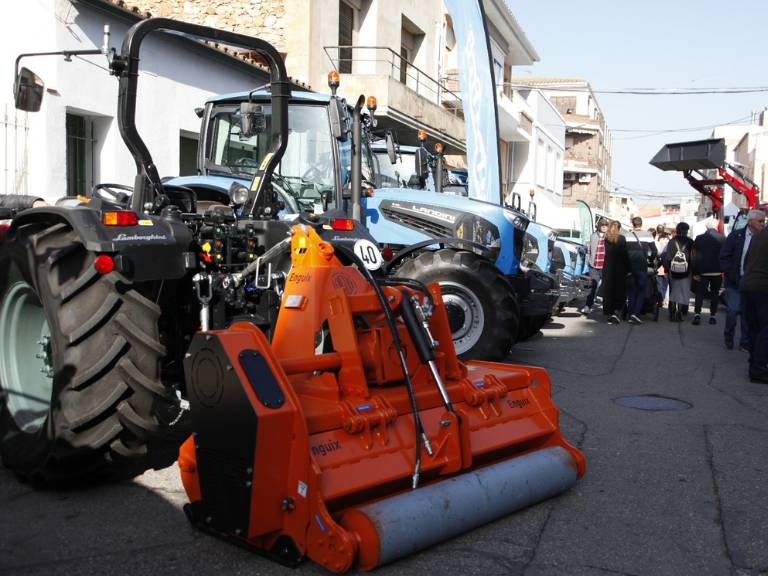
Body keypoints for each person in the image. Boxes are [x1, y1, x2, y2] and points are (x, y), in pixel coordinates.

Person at [720, 209, 766, 350]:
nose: (763, 225)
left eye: (764, 222)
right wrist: (730, 273)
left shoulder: (763, 239)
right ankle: (729, 335)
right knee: (733, 311)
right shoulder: (736, 236)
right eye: (760, 221)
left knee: (747, 315)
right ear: (750, 222)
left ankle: (744, 343)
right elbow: (724, 256)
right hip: (735, 282)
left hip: (752, 284)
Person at [740, 224, 768, 383]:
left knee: (755, 328)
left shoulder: (758, 236)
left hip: (748, 285)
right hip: (763, 287)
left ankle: (754, 365)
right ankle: (758, 369)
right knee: (765, 330)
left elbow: (746, 261)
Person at [623, 216, 657, 324]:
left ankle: (630, 313)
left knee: (632, 291)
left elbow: (623, 252)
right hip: (642, 266)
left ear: (632, 224)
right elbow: (655, 251)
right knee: (641, 291)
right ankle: (635, 314)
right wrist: (650, 260)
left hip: (629, 267)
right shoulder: (648, 235)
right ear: (641, 224)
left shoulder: (626, 236)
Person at [691, 219, 724, 325]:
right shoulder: (722, 238)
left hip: (702, 271)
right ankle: (712, 316)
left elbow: (694, 256)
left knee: (699, 293)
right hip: (717, 271)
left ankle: (697, 315)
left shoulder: (699, 238)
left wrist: (695, 272)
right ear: (716, 226)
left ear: (706, 227)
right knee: (715, 294)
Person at [663, 221, 693, 322]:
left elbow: (667, 258)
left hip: (673, 270)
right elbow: (693, 257)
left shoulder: (671, 242)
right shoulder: (690, 242)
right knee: (682, 291)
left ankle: (671, 313)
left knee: (673, 290)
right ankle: (679, 313)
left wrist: (666, 270)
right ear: (686, 231)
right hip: (686, 271)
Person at [602, 220, 630, 324]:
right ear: (619, 228)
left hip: (608, 267)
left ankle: (609, 312)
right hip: (620, 268)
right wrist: (628, 268)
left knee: (609, 290)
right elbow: (625, 255)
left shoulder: (606, 238)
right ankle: (616, 312)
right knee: (619, 291)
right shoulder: (622, 239)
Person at [582, 218, 608, 315]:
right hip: (594, 265)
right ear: (599, 226)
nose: (605, 227)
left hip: (605, 266)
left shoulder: (609, 237)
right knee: (593, 286)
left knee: (606, 287)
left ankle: (607, 308)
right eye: (603, 225)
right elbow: (589, 249)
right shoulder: (593, 236)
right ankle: (588, 306)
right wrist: (588, 260)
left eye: (606, 225)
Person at [655, 225, 670, 307]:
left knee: (659, 282)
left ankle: (660, 299)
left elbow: (657, 252)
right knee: (665, 283)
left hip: (660, 262)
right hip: (667, 263)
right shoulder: (668, 240)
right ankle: (665, 299)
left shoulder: (657, 239)